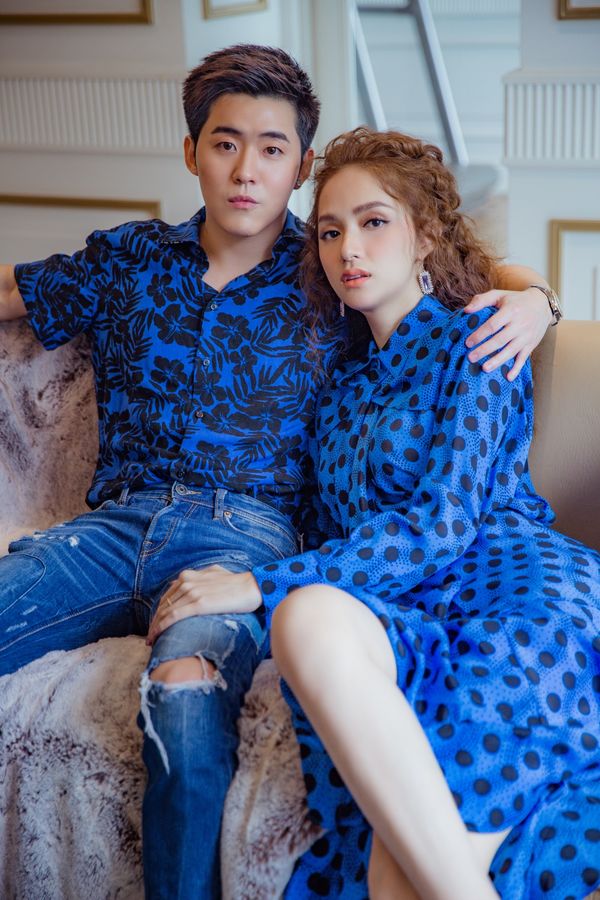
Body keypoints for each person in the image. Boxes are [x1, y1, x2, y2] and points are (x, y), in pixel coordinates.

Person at [0, 44, 555, 898]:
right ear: (192, 151)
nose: (246, 170)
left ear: (299, 164)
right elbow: (13, 292)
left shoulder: (329, 272)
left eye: (272, 148)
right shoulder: (133, 261)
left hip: (247, 537)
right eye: (225, 144)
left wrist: (539, 300)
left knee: (188, 693)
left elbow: (453, 263)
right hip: (109, 531)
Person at [161, 127, 600, 900]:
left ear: (425, 235)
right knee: (308, 622)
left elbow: (442, 525)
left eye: (373, 222)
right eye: (330, 231)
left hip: (509, 590)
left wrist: (255, 584)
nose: (348, 249)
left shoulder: (478, 340)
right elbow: (322, 530)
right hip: (401, 610)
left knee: (399, 871)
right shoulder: (338, 389)